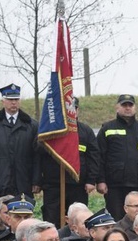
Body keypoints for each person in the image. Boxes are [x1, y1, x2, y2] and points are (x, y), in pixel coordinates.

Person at [0, 84, 40, 219]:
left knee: (23, 219)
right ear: (3, 101)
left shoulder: (31, 124)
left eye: (16, 99)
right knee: (0, 221)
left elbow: (37, 156)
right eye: (10, 99)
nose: (13, 102)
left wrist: (36, 181)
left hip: (23, 182)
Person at [39, 96, 100, 228]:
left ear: (77, 111)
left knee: (78, 219)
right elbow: (38, 155)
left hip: (78, 184)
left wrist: (91, 180)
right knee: (52, 218)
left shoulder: (86, 131)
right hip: (54, 185)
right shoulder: (51, 130)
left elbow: (94, 157)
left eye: (73, 108)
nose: (70, 112)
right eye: (66, 109)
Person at [96, 94, 138, 220]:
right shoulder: (107, 128)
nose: (128, 108)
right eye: (124, 105)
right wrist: (100, 180)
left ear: (135, 108)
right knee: (116, 219)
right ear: (117, 108)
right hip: (114, 186)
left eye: (130, 105)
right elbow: (99, 157)